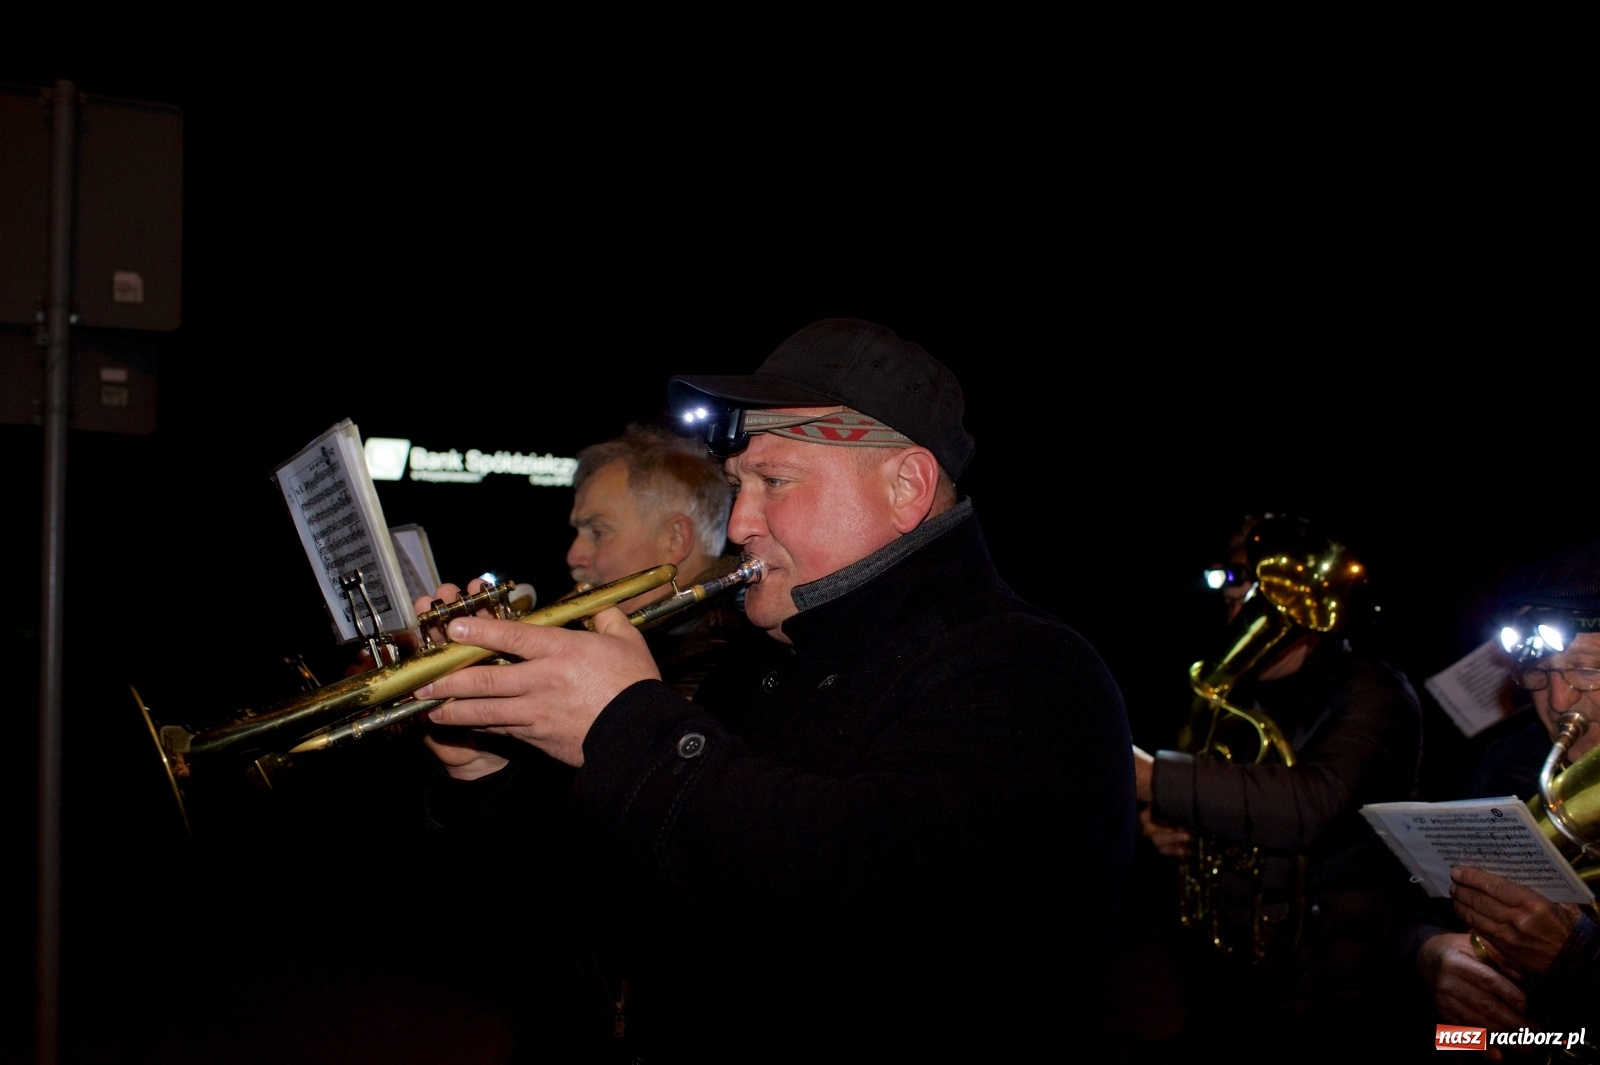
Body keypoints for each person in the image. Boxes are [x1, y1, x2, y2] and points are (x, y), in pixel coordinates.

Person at [416, 318, 1136, 1060]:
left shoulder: (1030, 671)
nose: (739, 523)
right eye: (736, 487)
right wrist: (486, 774)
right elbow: (608, 915)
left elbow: (872, 903)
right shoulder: (766, 661)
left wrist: (631, 725)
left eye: (775, 482)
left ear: (906, 486)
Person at [1128, 514, 1423, 1059]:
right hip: (1232, 990)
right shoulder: (1237, 697)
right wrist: (1165, 825)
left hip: (1336, 1006)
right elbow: (1220, 798)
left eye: (1242, 576)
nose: (1228, 592)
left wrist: (1153, 777)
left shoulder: (1374, 689)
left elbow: (1313, 805)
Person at [1403, 542, 1600, 1054]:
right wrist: (1429, 955)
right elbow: (1418, 906)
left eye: (1588, 671)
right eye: (1540, 673)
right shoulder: (1508, 762)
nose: (1558, 701)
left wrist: (1578, 955)